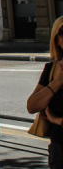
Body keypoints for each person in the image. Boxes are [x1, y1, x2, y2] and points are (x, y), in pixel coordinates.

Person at [27, 16, 63, 168]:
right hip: (59, 149)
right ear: (56, 39)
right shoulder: (52, 69)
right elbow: (32, 106)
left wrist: (58, 121)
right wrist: (57, 83)